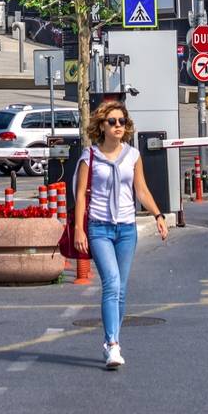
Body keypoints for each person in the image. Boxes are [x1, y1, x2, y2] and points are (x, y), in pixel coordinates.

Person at [73, 99, 169, 370]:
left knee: (122, 290)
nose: (118, 126)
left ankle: (115, 339)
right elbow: (80, 195)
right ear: (101, 126)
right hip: (99, 227)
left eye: (122, 122)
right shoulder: (89, 156)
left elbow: (142, 190)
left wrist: (158, 215)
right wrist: (80, 229)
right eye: (112, 121)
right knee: (112, 283)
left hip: (127, 229)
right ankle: (112, 344)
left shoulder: (133, 156)